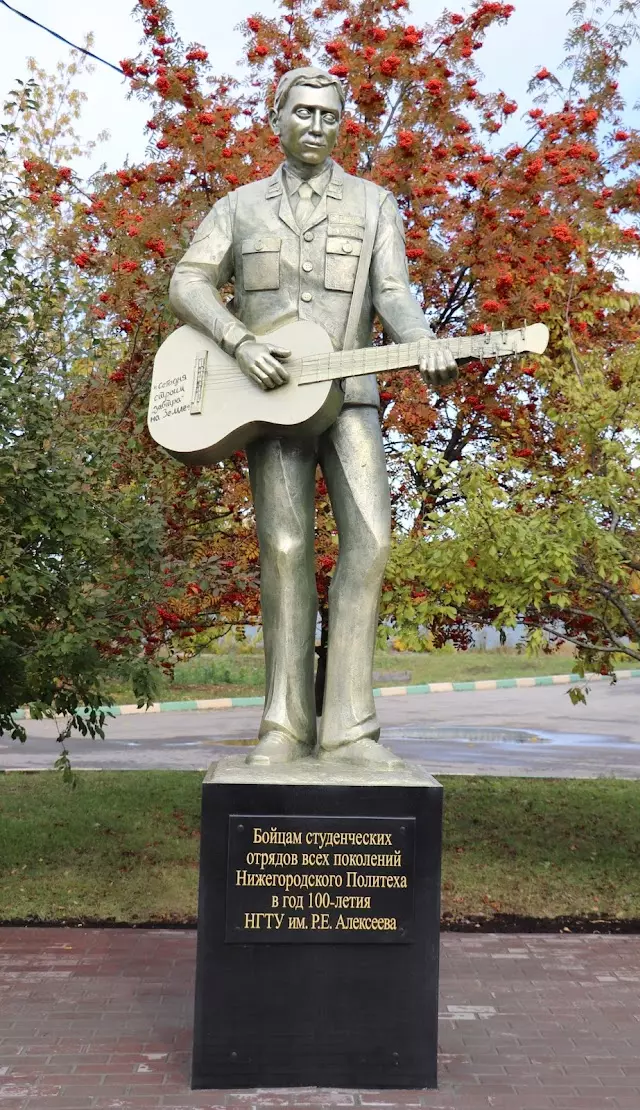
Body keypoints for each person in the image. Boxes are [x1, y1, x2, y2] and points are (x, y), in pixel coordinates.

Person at [169, 66, 459, 767]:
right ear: (277, 118)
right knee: (287, 551)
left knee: (372, 540)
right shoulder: (241, 207)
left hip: (352, 396)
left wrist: (421, 340)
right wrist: (239, 342)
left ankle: (350, 731)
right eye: (304, 113)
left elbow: (393, 292)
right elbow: (187, 279)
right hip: (270, 404)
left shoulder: (373, 203)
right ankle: (284, 727)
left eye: (329, 116)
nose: (317, 126)